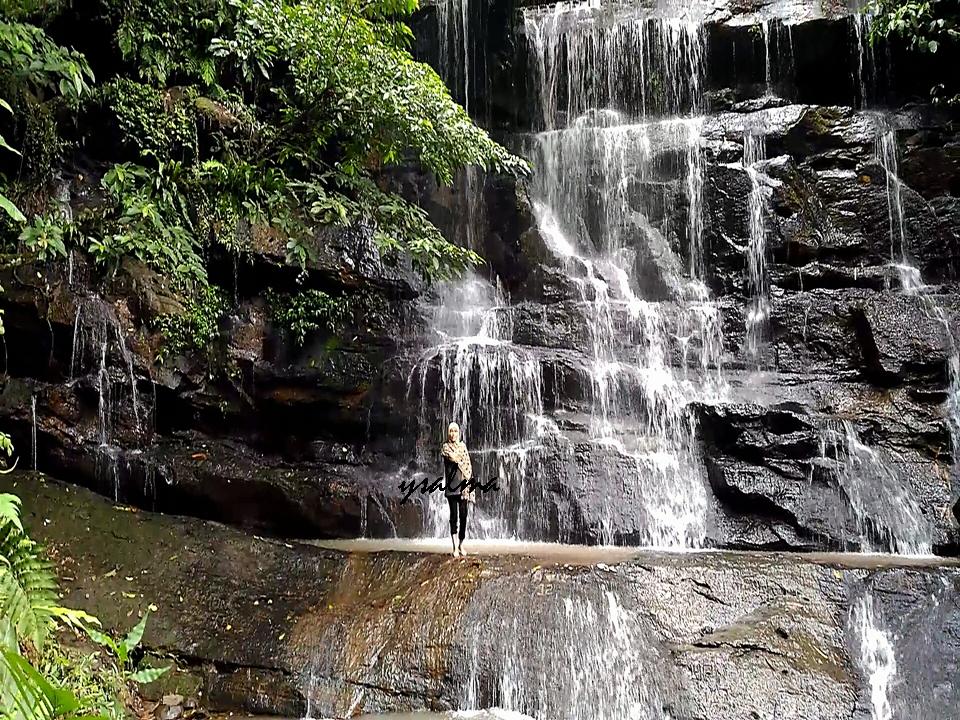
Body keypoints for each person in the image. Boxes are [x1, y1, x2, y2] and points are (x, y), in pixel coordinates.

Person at [441, 421, 474, 558]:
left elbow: (468, 466)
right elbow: (453, 458)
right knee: (454, 517)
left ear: (459, 433)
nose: (453, 434)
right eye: (451, 431)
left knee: (464, 516)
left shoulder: (463, 447)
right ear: (448, 433)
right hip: (452, 488)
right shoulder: (445, 448)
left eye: (455, 431)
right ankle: (455, 546)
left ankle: (461, 543)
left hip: (463, 487)